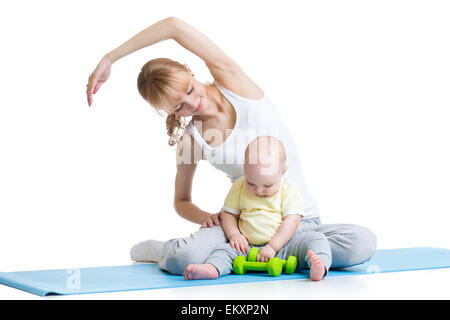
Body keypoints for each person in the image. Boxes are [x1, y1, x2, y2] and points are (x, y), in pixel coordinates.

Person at [86, 17, 377, 276]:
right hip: (240, 231)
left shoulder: (234, 83)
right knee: (182, 259)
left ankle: (264, 256)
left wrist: (111, 57)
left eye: (189, 89)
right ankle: (167, 250)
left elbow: (173, 26)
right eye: (179, 106)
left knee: (361, 243)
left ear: (190, 70)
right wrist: (210, 219)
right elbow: (181, 202)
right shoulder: (191, 139)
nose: (192, 103)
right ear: (170, 113)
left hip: (298, 223)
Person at [183, 136, 329, 281]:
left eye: (267, 186)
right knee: (224, 250)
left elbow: (292, 221)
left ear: (283, 171)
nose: (258, 191)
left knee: (317, 239)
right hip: (246, 246)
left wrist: (273, 246)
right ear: (245, 169)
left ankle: (320, 266)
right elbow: (228, 214)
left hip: (284, 245)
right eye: (251, 183)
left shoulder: (289, 190)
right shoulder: (238, 187)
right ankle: (212, 268)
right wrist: (235, 235)